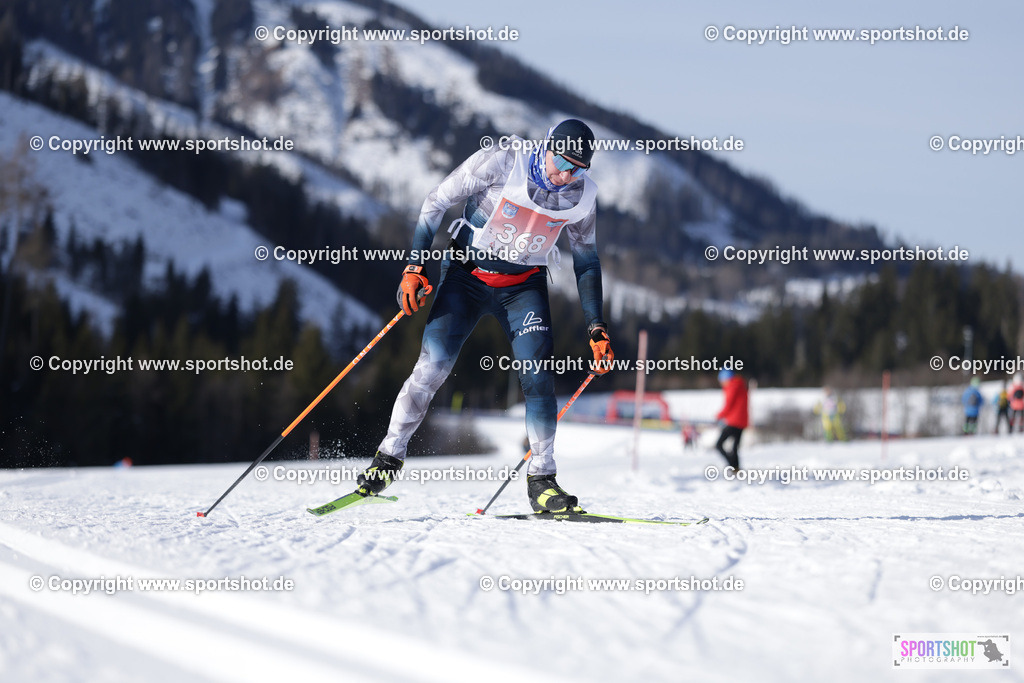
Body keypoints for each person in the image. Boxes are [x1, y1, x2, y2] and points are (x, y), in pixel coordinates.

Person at [356, 119, 613, 512]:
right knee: (433, 367)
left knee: (539, 378)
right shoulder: (502, 160)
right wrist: (414, 267)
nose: (566, 176)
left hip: (522, 287)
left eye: (578, 170)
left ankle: (542, 481)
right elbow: (434, 202)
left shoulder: (582, 196)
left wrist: (596, 327)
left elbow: (587, 262)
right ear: (547, 147)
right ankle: (388, 458)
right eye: (562, 163)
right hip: (467, 276)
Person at [714, 369, 748, 470]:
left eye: (721, 380)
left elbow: (729, 404)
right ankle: (736, 467)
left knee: (719, 445)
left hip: (734, 421)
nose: (721, 383)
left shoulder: (732, 387)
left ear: (726, 379)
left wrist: (719, 415)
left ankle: (733, 466)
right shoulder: (740, 385)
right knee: (734, 447)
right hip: (742, 421)